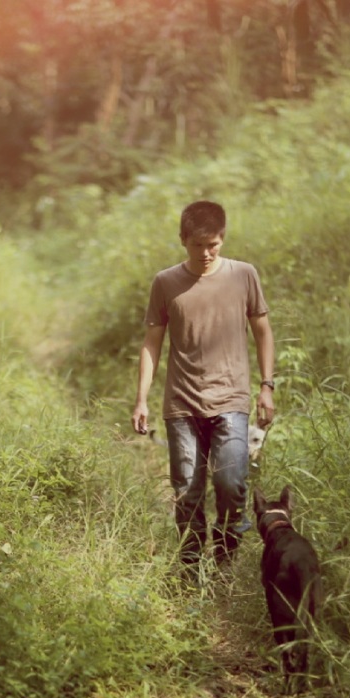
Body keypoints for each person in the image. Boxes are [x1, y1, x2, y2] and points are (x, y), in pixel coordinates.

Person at [131, 200, 275, 567]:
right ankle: (190, 566)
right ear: (182, 240)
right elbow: (152, 342)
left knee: (231, 484)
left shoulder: (243, 275)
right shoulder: (166, 283)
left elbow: (263, 331)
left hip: (231, 399)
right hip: (182, 404)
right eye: (198, 245)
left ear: (222, 239)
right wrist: (141, 399)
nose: (207, 253)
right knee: (187, 493)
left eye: (213, 244)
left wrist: (267, 385)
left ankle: (225, 559)